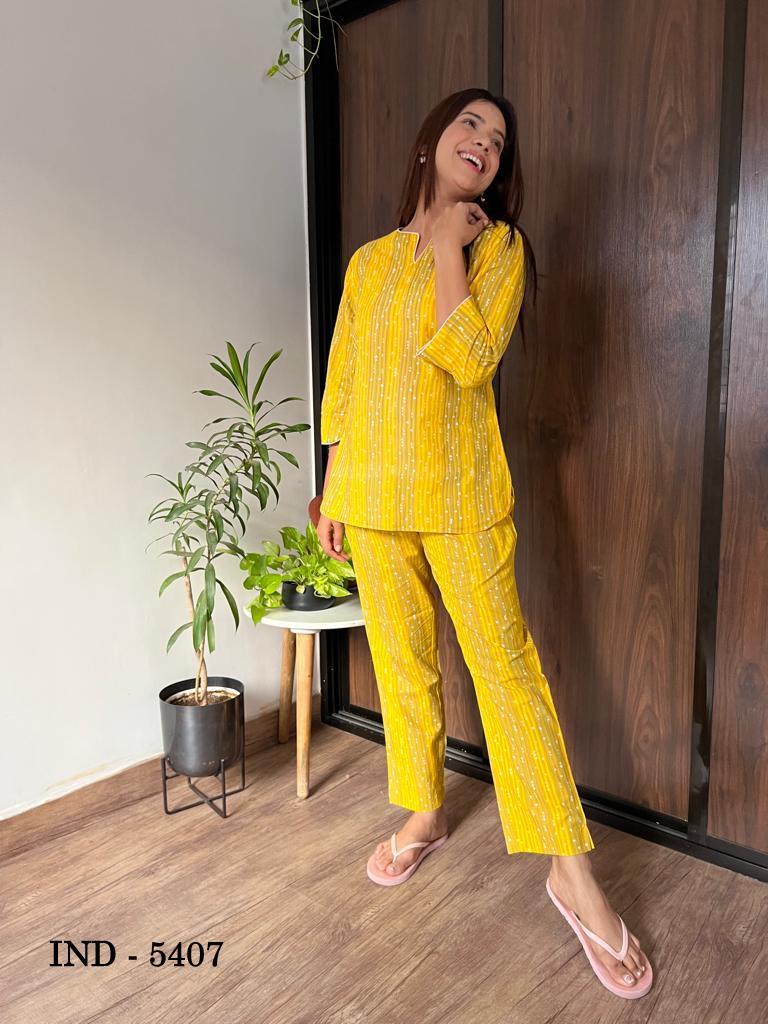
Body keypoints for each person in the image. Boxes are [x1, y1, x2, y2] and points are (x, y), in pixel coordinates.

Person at [315, 87, 653, 999]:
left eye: (498, 140)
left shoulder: (498, 249)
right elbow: (345, 383)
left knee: (507, 674)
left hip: (462, 497)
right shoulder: (366, 262)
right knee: (403, 664)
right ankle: (424, 811)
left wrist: (447, 249)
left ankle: (571, 872)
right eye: (471, 124)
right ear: (431, 140)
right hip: (372, 498)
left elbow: (466, 358)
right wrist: (333, 488)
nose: (485, 143)